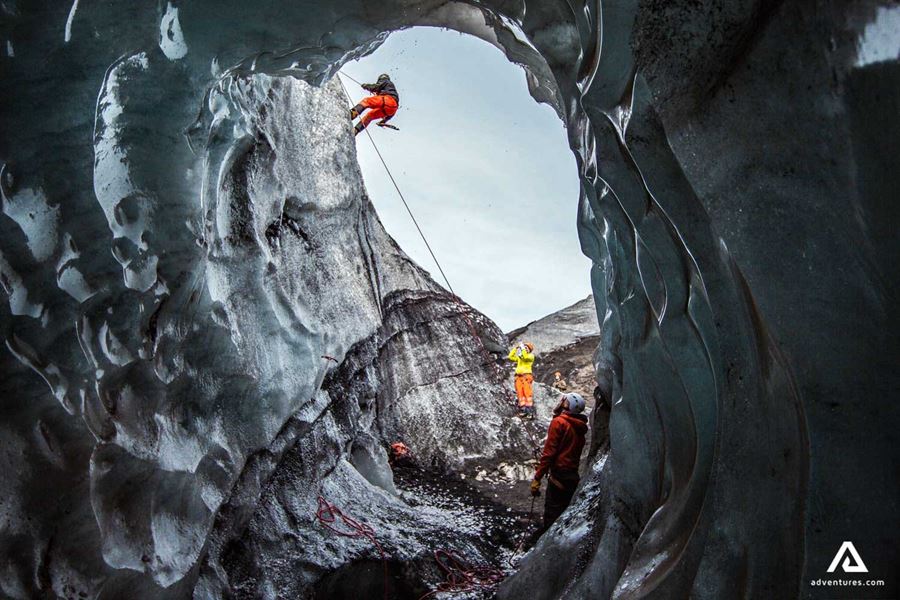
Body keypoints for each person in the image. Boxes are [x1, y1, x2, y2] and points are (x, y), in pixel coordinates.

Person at [530, 393, 588, 532]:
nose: (561, 401)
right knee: (564, 515)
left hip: (559, 476)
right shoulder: (579, 426)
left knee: (552, 517)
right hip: (571, 476)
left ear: (567, 404)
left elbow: (549, 454)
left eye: (564, 400)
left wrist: (537, 478)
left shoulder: (559, 423)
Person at [508, 342, 535, 418]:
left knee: (527, 393)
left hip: (526, 376)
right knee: (520, 394)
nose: (525, 349)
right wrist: (516, 348)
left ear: (529, 350)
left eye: (527, 348)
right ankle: (524, 411)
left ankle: (530, 412)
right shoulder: (520, 357)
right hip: (518, 377)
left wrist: (522, 348)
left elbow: (525, 357)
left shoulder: (531, 356)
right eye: (524, 347)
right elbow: (510, 357)